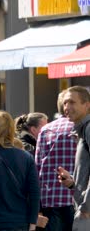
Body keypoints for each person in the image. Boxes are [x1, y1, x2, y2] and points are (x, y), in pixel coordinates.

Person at [35, 91, 77, 231]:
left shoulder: (45, 130)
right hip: (77, 198)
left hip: (50, 198)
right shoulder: (81, 128)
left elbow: (37, 167)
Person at [56, 86, 90, 230]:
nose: (66, 107)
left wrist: (86, 206)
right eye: (64, 103)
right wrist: (72, 184)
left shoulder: (88, 128)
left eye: (72, 102)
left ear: (87, 105)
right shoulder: (83, 130)